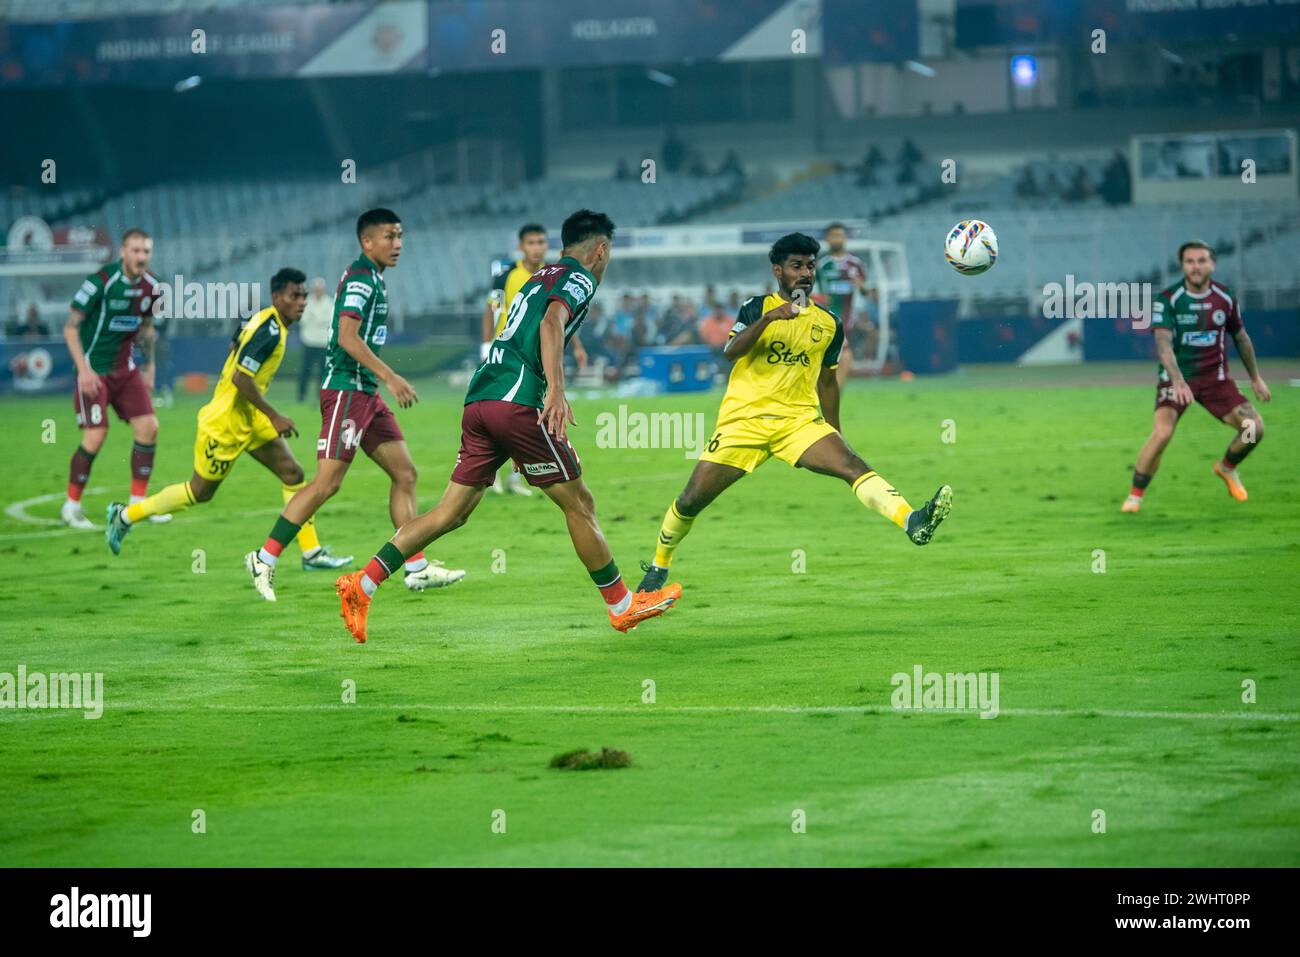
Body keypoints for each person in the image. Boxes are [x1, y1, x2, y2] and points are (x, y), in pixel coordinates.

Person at [334, 210, 681, 643]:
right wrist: (556, 389)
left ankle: (361, 584)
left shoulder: (539, 276)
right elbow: (552, 323)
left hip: (482, 398)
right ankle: (621, 605)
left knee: (451, 513)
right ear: (601, 250)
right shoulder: (579, 277)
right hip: (517, 401)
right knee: (580, 503)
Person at [636, 233, 952, 596]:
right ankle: (660, 565)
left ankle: (912, 520)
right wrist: (771, 318)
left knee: (852, 465)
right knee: (692, 499)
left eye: (810, 266)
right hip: (744, 422)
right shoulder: (756, 307)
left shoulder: (829, 322)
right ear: (778, 270)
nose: (805, 273)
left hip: (798, 423)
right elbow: (730, 351)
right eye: (796, 266)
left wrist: (835, 433)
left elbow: (828, 382)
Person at [243, 209, 464, 601]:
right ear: (367, 242)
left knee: (406, 474)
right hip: (347, 391)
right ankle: (264, 557)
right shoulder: (362, 279)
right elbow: (347, 337)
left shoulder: (372, 277)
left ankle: (415, 568)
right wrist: (390, 376)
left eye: (400, 236)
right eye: (389, 237)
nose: (397, 244)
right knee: (328, 482)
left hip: (364, 394)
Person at [106, 268, 351, 570]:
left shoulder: (261, 319)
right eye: (294, 296)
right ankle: (125, 515)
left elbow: (234, 345)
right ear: (277, 298)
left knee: (292, 473)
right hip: (225, 423)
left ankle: (311, 553)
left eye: (303, 296)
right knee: (200, 492)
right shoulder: (270, 331)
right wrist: (274, 415)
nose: (301, 302)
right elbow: (240, 378)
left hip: (249, 416)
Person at [1122, 241, 1270, 512]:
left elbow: (1241, 337)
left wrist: (1255, 377)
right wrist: (1177, 381)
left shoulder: (1225, 298)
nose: (1196, 266)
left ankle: (1227, 467)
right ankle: (1134, 497)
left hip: (1216, 380)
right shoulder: (1169, 299)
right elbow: (1163, 344)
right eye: (1190, 261)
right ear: (1183, 266)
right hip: (1177, 377)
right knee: (1163, 433)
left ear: (1212, 264)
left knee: (1254, 430)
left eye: (1201, 260)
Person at [61, 228, 164, 530]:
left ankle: (137, 505)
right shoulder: (101, 282)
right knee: (96, 434)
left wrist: (151, 367)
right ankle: (71, 506)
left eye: (146, 251)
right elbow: (70, 328)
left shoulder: (152, 286)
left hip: (126, 370)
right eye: (136, 250)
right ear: (122, 252)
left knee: (149, 427)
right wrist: (84, 370)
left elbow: (146, 328)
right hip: (95, 370)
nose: (141, 257)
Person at [813, 222, 872, 388]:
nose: (835, 239)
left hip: (848, 319)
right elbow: (807, 290)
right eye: (832, 236)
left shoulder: (855, 264)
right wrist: (818, 298)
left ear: (845, 238)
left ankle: (829, 395)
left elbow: (866, 292)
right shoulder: (822, 265)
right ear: (827, 239)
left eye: (839, 235)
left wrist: (861, 286)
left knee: (842, 358)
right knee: (845, 357)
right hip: (826, 319)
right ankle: (830, 396)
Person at [296, 277, 333, 403]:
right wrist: (319, 320)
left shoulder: (329, 302)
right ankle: (302, 395)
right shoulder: (306, 302)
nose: (318, 291)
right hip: (309, 340)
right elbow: (302, 319)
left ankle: (322, 396)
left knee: (323, 372)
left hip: (323, 342)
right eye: (316, 289)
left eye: (320, 289)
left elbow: (330, 321)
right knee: (305, 370)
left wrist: (314, 318)